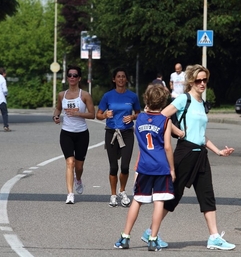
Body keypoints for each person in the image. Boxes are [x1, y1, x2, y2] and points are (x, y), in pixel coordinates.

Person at [143, 64, 236, 250]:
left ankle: (214, 237)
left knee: (207, 194)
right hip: (184, 153)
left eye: (205, 80)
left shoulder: (202, 103)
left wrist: (217, 151)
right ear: (191, 82)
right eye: (198, 80)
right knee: (173, 195)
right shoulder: (183, 100)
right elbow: (161, 117)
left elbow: (200, 134)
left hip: (200, 154)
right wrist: (178, 132)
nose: (202, 83)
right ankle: (150, 232)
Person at [114, 84, 175, 252]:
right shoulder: (165, 121)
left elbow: (142, 145)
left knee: (137, 200)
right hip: (161, 166)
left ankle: (125, 237)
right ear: (163, 101)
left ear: (146, 100)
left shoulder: (139, 118)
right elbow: (168, 147)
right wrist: (172, 169)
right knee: (159, 201)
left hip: (144, 166)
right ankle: (153, 239)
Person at [96, 68, 141, 207]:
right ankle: (113, 195)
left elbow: (140, 113)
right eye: (118, 77)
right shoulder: (107, 96)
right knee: (114, 167)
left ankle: (122, 191)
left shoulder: (132, 96)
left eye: (123, 76)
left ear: (126, 79)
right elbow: (98, 114)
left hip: (127, 133)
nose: (121, 79)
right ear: (114, 79)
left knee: (125, 166)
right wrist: (105, 116)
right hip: (111, 133)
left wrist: (133, 116)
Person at [53, 65, 95, 204]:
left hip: (82, 133)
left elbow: (92, 114)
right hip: (66, 133)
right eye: (69, 75)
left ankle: (78, 179)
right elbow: (58, 109)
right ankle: (70, 194)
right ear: (67, 78)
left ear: (79, 78)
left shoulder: (84, 95)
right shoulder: (62, 95)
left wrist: (78, 113)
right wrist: (56, 117)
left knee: (79, 166)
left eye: (75, 75)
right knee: (70, 162)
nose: (72, 77)